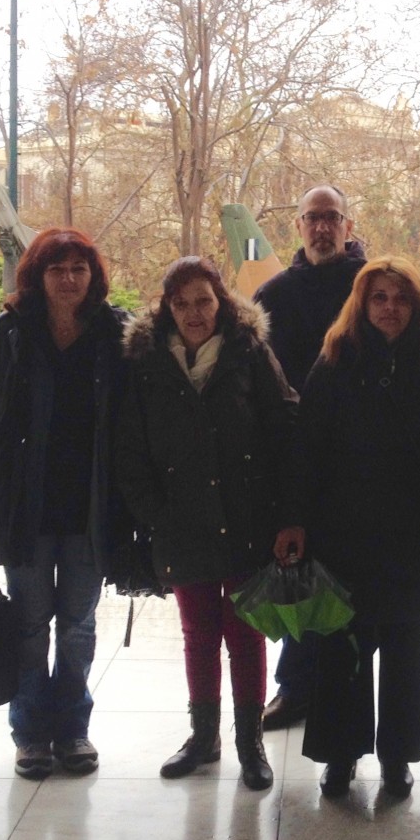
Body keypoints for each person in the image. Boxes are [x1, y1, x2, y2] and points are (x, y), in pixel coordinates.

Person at [114, 256, 303, 790]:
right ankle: (203, 737)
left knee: (245, 634)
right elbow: (129, 448)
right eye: (181, 304)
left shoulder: (249, 351)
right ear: (167, 309)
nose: (193, 313)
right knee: (197, 633)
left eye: (203, 301)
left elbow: (285, 428)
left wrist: (288, 514)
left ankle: (250, 744)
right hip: (181, 521)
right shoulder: (147, 360)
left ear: (221, 302)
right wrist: (156, 515)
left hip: (248, 517)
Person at [298, 256, 420, 800]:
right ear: (362, 302)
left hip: (409, 524)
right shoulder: (335, 359)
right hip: (341, 524)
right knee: (342, 642)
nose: (390, 308)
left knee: (403, 642)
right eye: (379, 297)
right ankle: (341, 752)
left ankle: (398, 755)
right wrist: (296, 519)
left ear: (416, 305)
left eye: (401, 298)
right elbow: (307, 448)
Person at [0, 228, 127, 781]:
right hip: (23, 505)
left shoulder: (113, 332)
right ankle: (30, 733)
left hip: (89, 506)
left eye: (78, 268)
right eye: (57, 269)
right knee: (29, 624)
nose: (68, 279)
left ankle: (72, 727)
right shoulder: (12, 332)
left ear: (92, 275)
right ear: (38, 275)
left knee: (77, 623)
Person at [251, 183, 367, 731]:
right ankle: (295, 687)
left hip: (360, 461)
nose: (322, 227)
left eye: (332, 217)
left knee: (356, 582)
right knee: (297, 568)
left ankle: (349, 693)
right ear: (297, 226)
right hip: (294, 457)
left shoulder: (372, 288)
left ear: (348, 225)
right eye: (312, 218)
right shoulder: (274, 295)